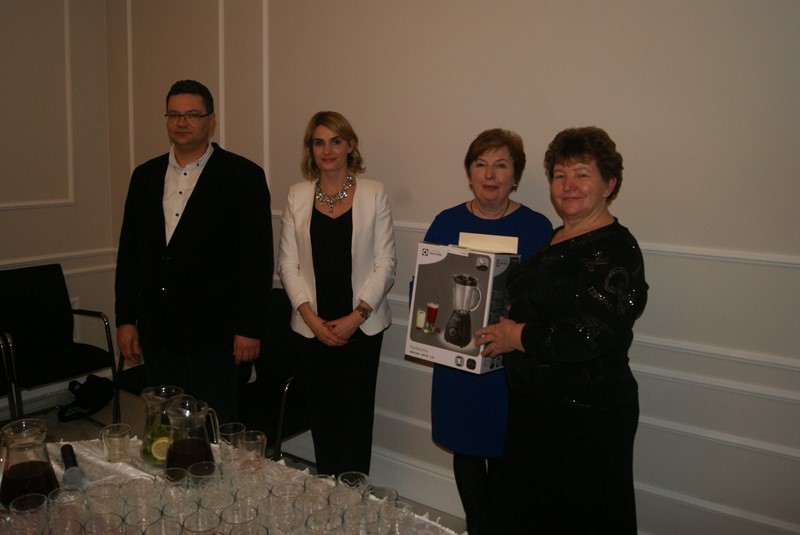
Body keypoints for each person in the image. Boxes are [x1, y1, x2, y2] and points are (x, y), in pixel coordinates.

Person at [475, 126, 648, 533]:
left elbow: (589, 333)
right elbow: (546, 308)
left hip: (585, 417)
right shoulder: (558, 237)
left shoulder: (616, 249)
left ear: (609, 184)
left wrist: (515, 336)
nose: (568, 185)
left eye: (582, 174)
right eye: (560, 174)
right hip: (537, 408)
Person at [115, 80, 273, 424]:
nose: (181, 122)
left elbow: (257, 260)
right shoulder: (144, 176)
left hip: (216, 336)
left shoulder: (243, 176)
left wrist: (249, 327)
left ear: (211, 121)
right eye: (174, 115)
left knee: (215, 428)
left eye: (192, 114)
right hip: (159, 333)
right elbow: (130, 255)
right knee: (166, 427)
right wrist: (126, 319)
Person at [425, 129, 552, 535]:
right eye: (481, 164)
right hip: (458, 364)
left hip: (510, 368)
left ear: (516, 176)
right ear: (469, 173)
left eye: (501, 165)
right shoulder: (446, 222)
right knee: (465, 449)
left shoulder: (536, 228)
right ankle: (478, 527)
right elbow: (421, 288)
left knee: (504, 452)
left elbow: (548, 300)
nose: (490, 174)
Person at [277, 111, 396, 476]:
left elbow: (386, 263)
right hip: (312, 327)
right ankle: (328, 492)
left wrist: (356, 317)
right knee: (323, 418)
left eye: (335, 141)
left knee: (356, 420)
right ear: (310, 149)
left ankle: (355, 497)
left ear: (350, 145)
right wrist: (311, 320)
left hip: (361, 327)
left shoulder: (374, 193)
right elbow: (288, 265)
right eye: (319, 142)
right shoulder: (297, 195)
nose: (327, 150)